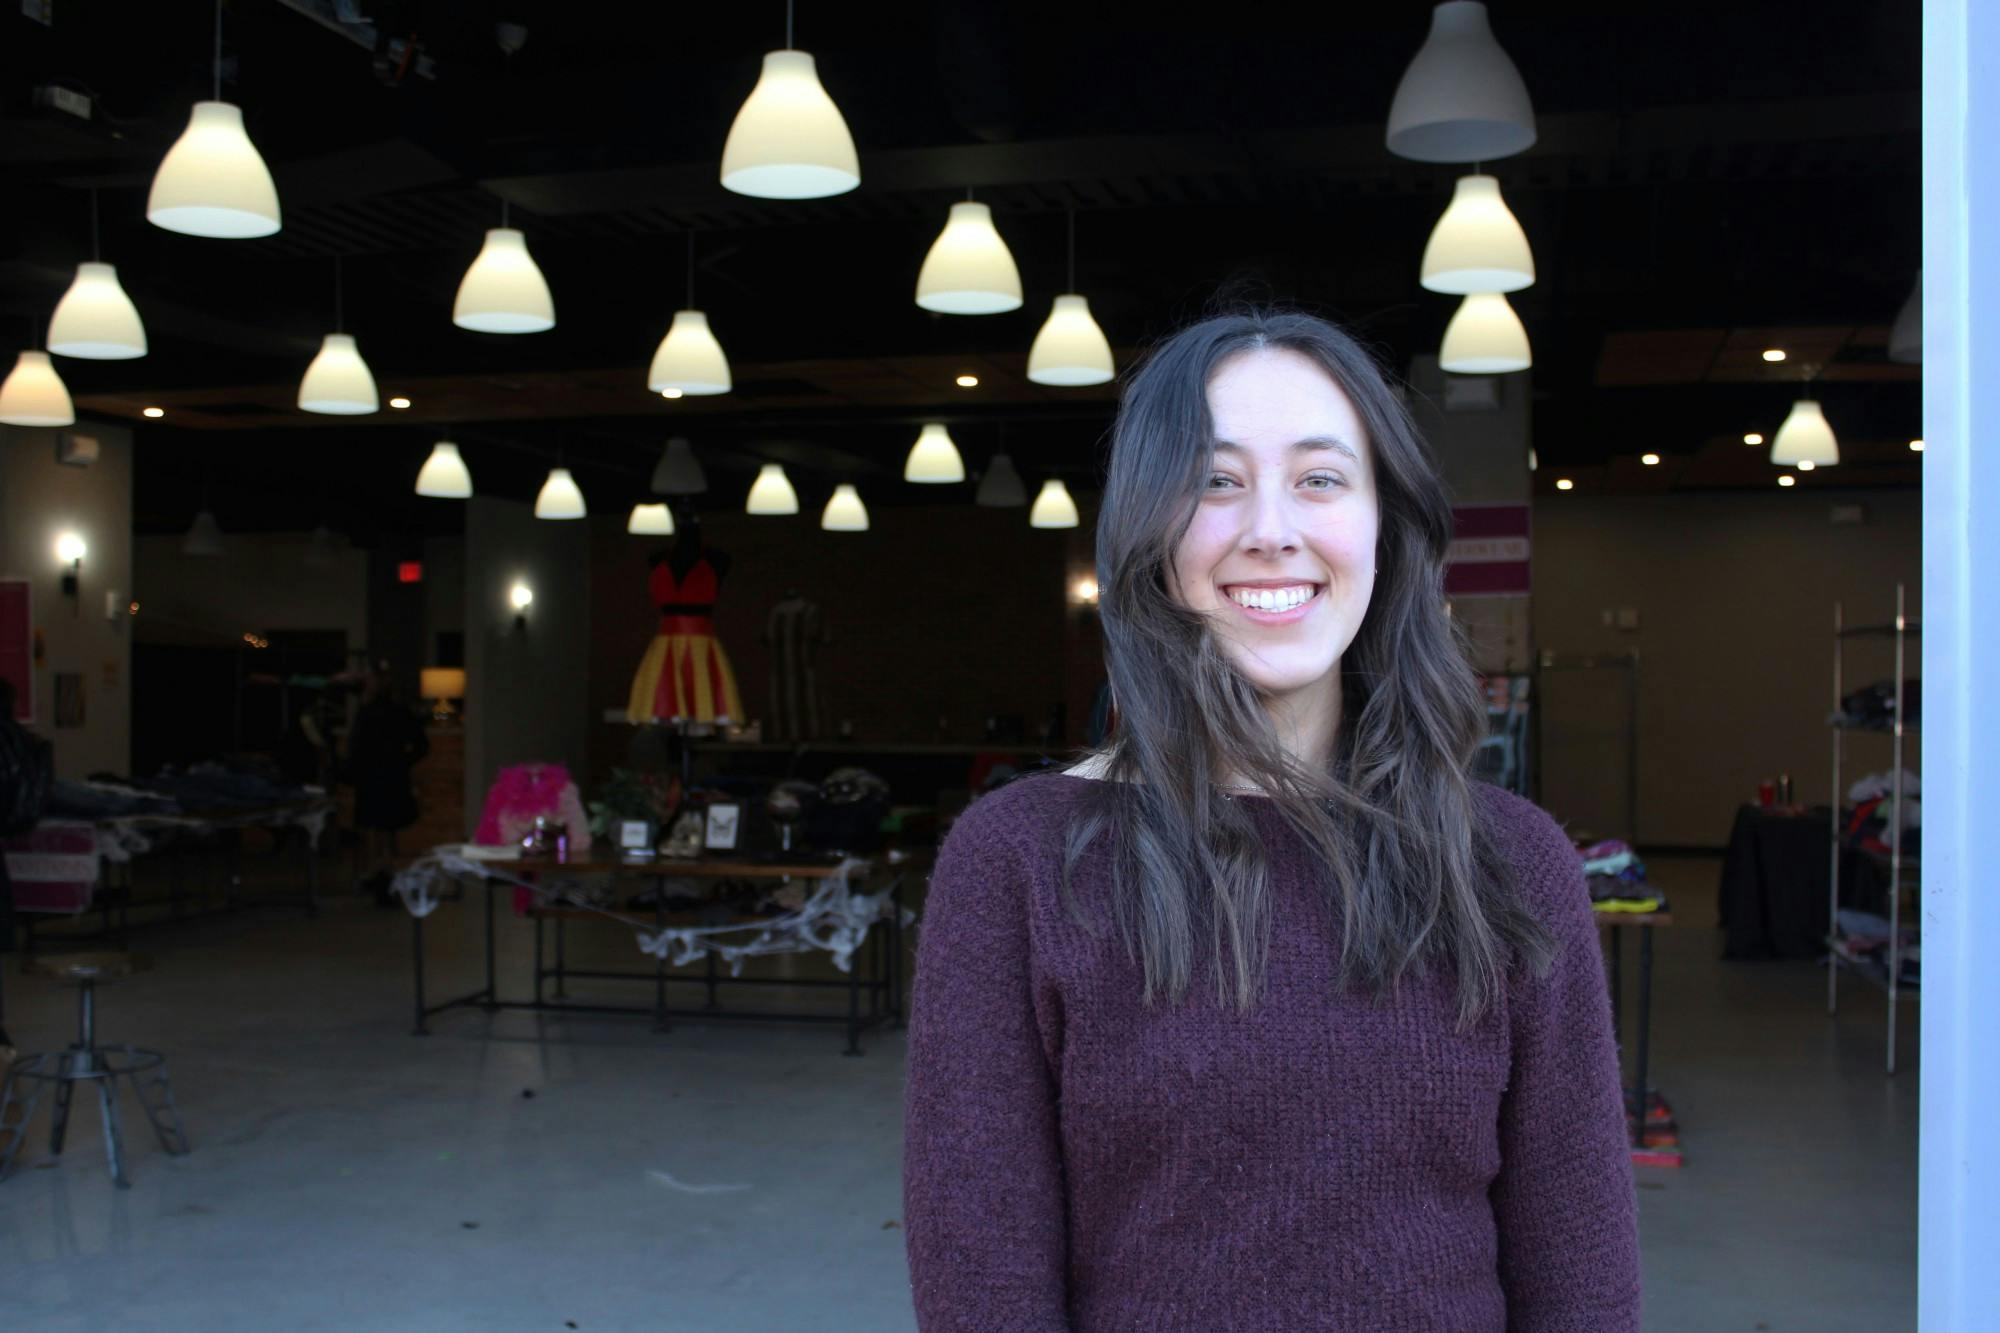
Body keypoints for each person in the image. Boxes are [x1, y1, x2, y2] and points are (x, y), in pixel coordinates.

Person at [902, 308, 1641, 1330]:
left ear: (1385, 525)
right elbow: (982, 1281)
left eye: (1320, 478)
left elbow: (1581, 1280)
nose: (1268, 528)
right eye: (1213, 480)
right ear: (1149, 536)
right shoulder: (1019, 862)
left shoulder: (1511, 863)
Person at [346, 662, 428, 903]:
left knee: (384, 827)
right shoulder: (367, 709)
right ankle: (379, 874)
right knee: (376, 828)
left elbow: (420, 745)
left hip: (386, 778)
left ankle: (385, 874)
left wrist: (401, 762)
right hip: (374, 778)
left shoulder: (390, 711)